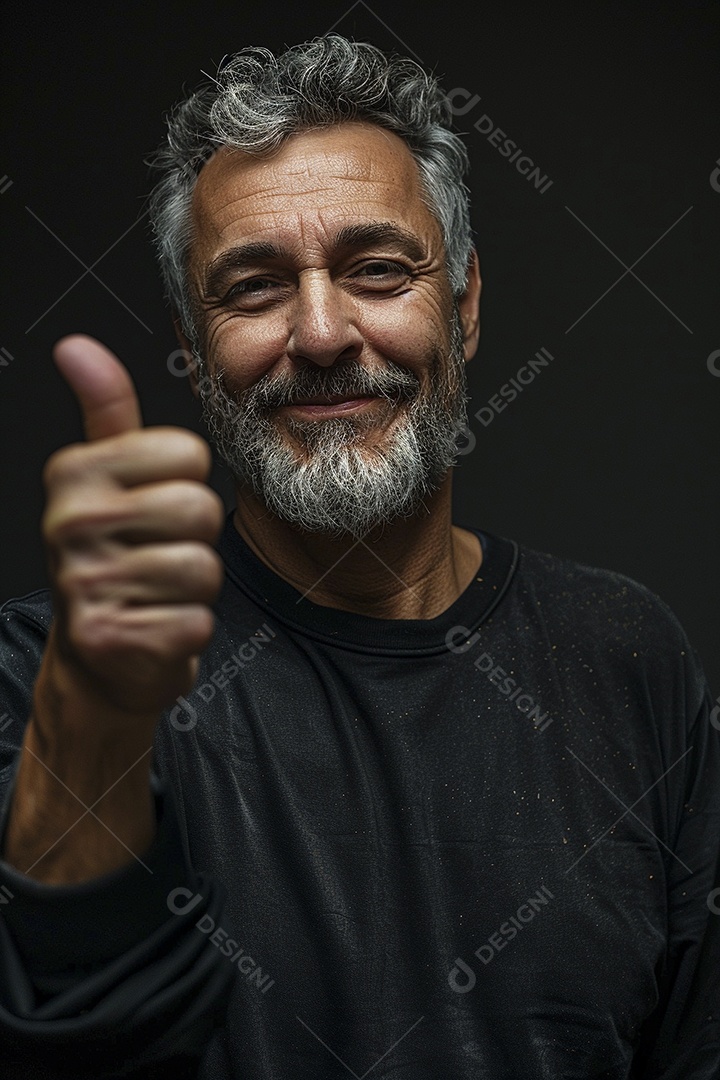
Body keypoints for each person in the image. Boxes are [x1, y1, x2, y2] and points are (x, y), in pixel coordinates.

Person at [0, 33, 718, 1080]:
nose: (324, 331)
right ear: (194, 354)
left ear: (463, 308)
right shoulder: (42, 676)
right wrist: (98, 712)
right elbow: (67, 1038)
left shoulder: (625, 654)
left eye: (378, 270)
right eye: (253, 288)